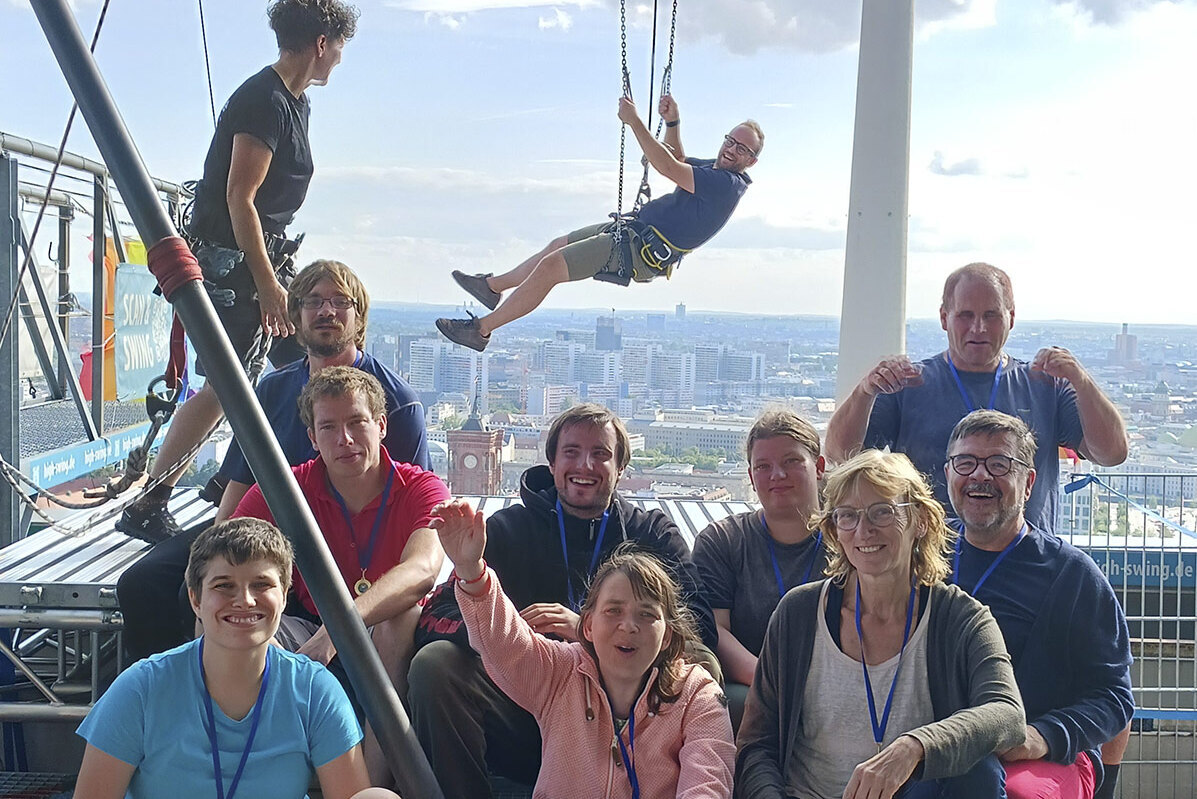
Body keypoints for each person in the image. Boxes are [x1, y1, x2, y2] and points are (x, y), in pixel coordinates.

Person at [118, 0, 360, 541]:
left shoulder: (292, 103)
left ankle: (245, 479)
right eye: (339, 46)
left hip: (259, 257)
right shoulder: (264, 101)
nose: (340, 59)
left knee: (305, 361)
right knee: (228, 384)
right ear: (323, 41)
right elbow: (239, 198)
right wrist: (268, 284)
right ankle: (152, 498)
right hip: (238, 265)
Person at [117, 259, 428, 662]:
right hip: (264, 531)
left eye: (340, 301)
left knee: (214, 594)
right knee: (145, 583)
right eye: (313, 302)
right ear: (295, 315)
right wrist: (217, 550)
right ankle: (169, 702)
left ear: (359, 315)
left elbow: (407, 498)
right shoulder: (274, 390)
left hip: (347, 545)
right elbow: (242, 481)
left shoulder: (398, 402)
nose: (327, 311)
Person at [406, 402, 720, 799]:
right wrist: (512, 635)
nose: (585, 465)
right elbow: (436, 617)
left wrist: (590, 634)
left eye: (601, 454)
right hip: (526, 704)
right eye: (571, 452)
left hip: (632, 722)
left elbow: (700, 628)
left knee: (702, 664)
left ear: (621, 468)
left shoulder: (651, 533)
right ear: (551, 464)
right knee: (435, 666)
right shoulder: (507, 529)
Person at [737, 449, 1025, 799]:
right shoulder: (797, 614)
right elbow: (756, 745)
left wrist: (915, 747)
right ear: (834, 530)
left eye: (882, 512)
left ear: (921, 521)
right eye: (848, 516)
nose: (864, 530)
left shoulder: (961, 619)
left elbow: (1008, 715)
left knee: (980, 771)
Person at [232, 367, 449, 787]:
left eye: (356, 423)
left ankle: (369, 788)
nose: (344, 439)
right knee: (244, 627)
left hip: (392, 641)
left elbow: (423, 570)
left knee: (397, 618)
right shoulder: (285, 489)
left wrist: (336, 633)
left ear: (382, 426)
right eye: (329, 427)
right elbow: (223, 562)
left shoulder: (420, 488)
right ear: (312, 438)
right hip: (308, 630)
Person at [74, 517, 398, 799]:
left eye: (261, 584)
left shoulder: (314, 690)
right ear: (195, 600)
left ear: (284, 597)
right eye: (224, 586)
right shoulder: (140, 689)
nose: (244, 600)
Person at [431, 500, 735, 799]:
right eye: (613, 611)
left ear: (667, 635)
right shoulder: (561, 672)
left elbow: (707, 784)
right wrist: (471, 570)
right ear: (586, 627)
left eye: (646, 615)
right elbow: (505, 644)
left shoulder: (698, 696)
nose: (629, 626)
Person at [436, 94, 760, 351]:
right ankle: (492, 287)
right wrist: (672, 121)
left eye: (741, 148)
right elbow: (675, 159)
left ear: (751, 161)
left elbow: (667, 167)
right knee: (557, 246)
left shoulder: (727, 185)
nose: (731, 149)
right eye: (730, 140)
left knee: (551, 267)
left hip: (637, 252)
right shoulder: (717, 171)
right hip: (634, 234)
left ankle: (481, 329)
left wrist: (634, 123)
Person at [825, 262, 1128, 530]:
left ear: (1011, 318)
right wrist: (866, 391)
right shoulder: (909, 386)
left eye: (992, 315)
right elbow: (841, 455)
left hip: (1028, 567)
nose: (978, 328)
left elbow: (1111, 453)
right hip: (932, 563)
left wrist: (1082, 381)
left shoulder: (1045, 386)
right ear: (944, 318)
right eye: (965, 315)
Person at [944, 410, 1134, 799]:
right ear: (948, 473)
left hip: (1040, 752)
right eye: (965, 463)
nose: (979, 475)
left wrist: (1042, 736)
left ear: (1029, 482)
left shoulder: (1071, 575)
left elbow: (1115, 696)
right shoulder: (923, 555)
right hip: (939, 743)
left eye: (999, 464)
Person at [692, 408, 826, 729]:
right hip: (752, 691)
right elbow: (715, 630)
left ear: (819, 467)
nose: (777, 475)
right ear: (752, 478)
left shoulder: (851, 538)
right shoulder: (722, 540)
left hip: (834, 686)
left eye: (791, 461)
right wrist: (772, 683)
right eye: (763, 466)